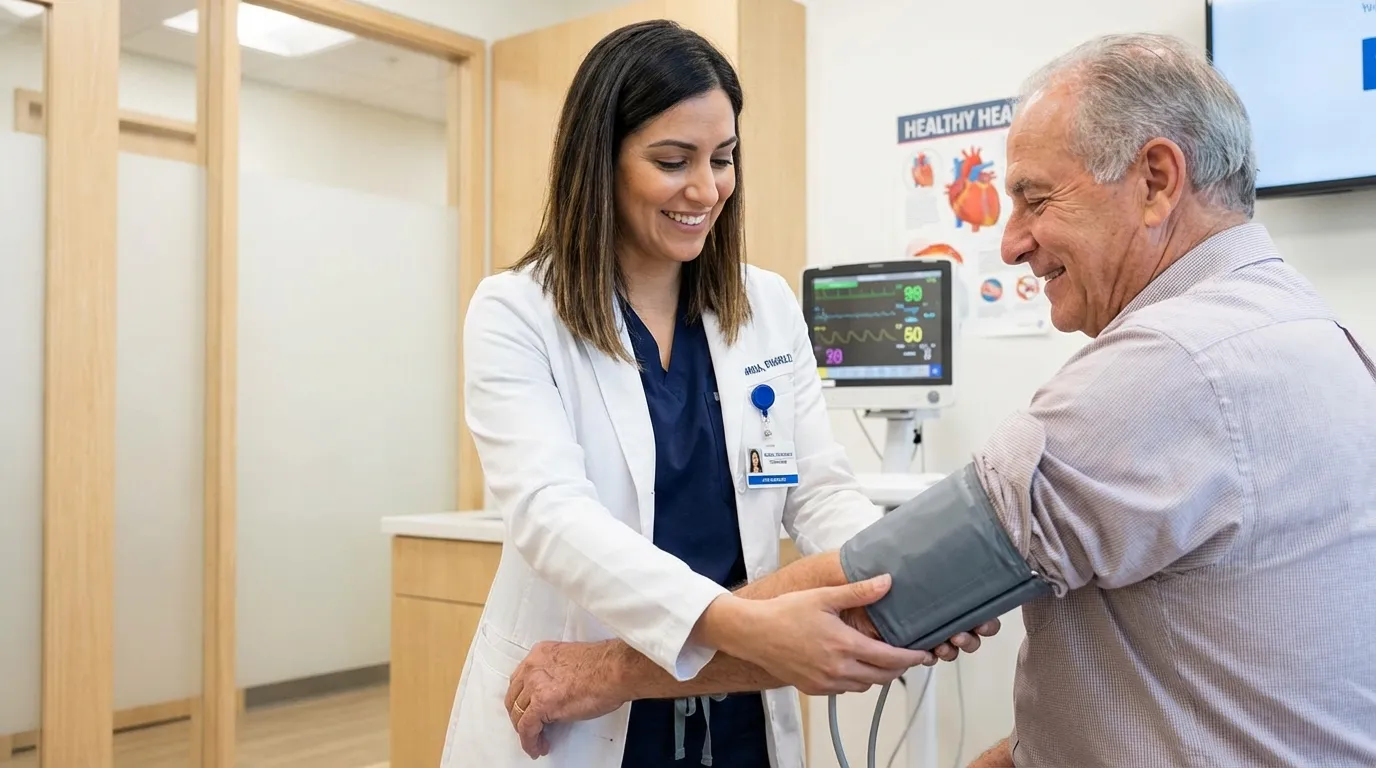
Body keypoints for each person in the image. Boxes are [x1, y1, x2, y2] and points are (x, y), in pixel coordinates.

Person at [506, 32, 1376, 768]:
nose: (1010, 240)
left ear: (1155, 180)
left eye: (1036, 198)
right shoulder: (1309, 331)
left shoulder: (1173, 367)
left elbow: (863, 546)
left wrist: (603, 671)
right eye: (672, 159)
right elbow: (549, 510)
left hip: (678, 683)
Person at [441, 19, 995, 768]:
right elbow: (551, 516)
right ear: (598, 162)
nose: (706, 189)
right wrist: (732, 622)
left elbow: (819, 490)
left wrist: (899, 583)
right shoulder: (516, 312)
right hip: (584, 714)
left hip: (734, 703)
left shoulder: (763, 306)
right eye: (673, 161)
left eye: (723, 158)